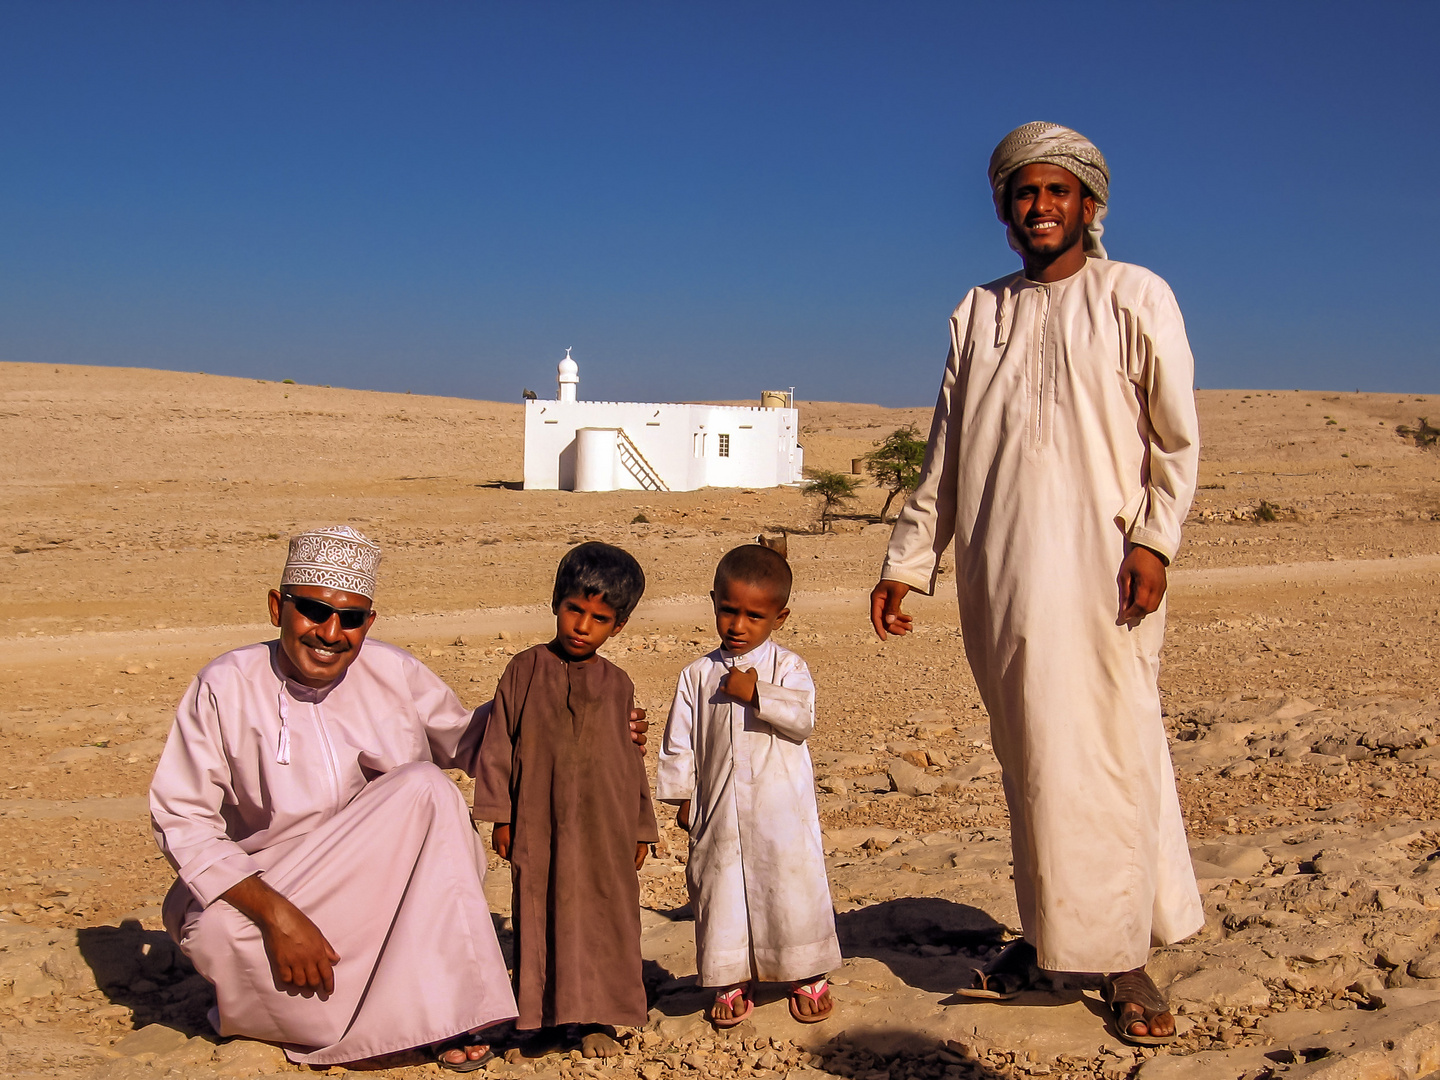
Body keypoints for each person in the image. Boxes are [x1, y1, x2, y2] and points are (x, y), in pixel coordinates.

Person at [869, 122, 1203, 1046]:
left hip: (1106, 568)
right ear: (1003, 209)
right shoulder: (978, 311)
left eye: (1057, 191)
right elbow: (948, 448)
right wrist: (907, 560)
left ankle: (1123, 954)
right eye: (1023, 193)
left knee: (1105, 748)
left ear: (1089, 206)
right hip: (1000, 569)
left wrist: (1156, 542)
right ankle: (1055, 935)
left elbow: (1175, 440)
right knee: (1032, 758)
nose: (1039, 206)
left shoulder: (1135, 294)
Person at [150, 526, 517, 1069]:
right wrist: (280, 919)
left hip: (375, 883)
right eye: (313, 611)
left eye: (349, 619)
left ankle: (447, 1011)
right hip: (271, 883)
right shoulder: (225, 686)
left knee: (425, 788)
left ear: (368, 622)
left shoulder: (394, 673)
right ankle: (383, 1011)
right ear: (278, 607)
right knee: (218, 934)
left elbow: (472, 744)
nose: (329, 632)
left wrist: (582, 714)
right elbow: (183, 819)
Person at [472, 542, 659, 1059]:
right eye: (575, 609)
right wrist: (500, 816)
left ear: (617, 627)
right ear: (556, 602)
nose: (582, 625)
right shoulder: (523, 670)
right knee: (538, 915)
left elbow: (631, 761)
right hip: (538, 823)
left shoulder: (618, 684)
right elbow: (498, 746)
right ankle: (544, 1020)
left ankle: (600, 1017)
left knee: (607, 916)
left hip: (606, 828)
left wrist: (642, 827)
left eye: (599, 618)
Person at [657, 544, 841, 1028]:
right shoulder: (697, 675)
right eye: (728, 611)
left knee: (790, 885)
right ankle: (730, 975)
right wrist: (682, 795)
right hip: (716, 807)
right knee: (720, 887)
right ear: (713, 601)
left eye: (754, 616)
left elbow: (801, 720)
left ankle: (804, 972)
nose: (738, 625)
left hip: (780, 807)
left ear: (779, 617)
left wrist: (756, 692)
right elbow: (679, 742)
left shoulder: (788, 667)